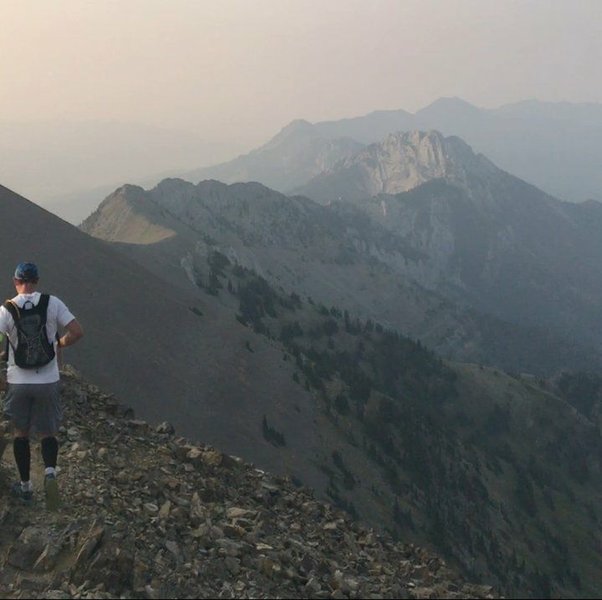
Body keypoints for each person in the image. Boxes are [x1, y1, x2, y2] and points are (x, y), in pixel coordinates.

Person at [0, 262, 83, 510]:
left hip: (18, 381)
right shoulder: (52, 303)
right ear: (36, 281)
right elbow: (77, 331)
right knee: (48, 432)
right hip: (48, 380)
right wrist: (60, 344)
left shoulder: (6, 310)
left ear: (16, 281)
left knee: (20, 434)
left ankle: (25, 487)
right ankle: (49, 474)